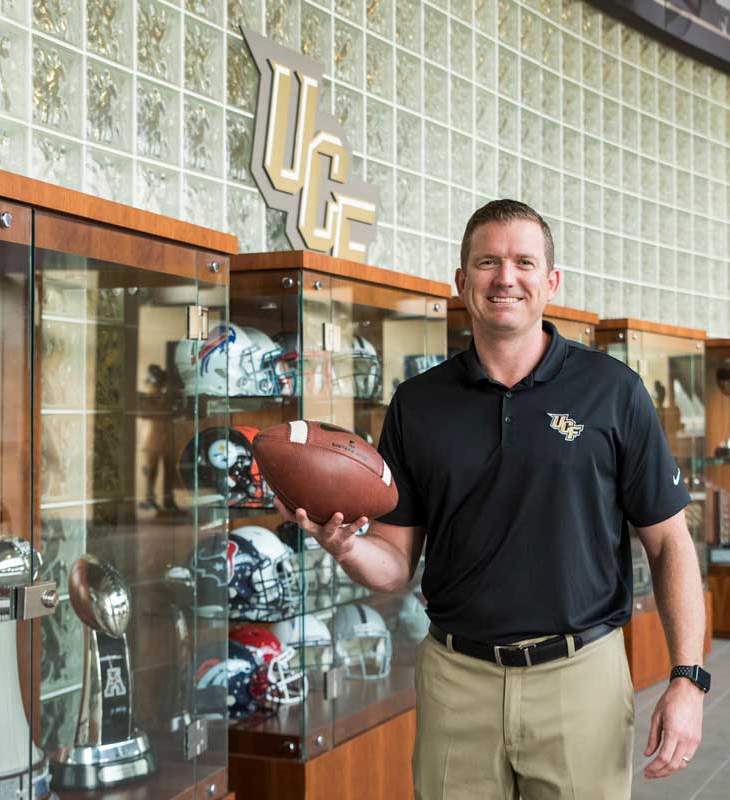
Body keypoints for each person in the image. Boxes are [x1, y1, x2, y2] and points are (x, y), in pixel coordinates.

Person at [276, 199, 707, 799]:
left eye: (524, 262)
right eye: (487, 262)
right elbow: (396, 562)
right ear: (461, 281)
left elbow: (669, 544)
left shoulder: (614, 392)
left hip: (580, 677)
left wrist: (688, 678)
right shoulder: (418, 404)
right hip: (458, 681)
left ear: (550, 282)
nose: (506, 278)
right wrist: (345, 547)